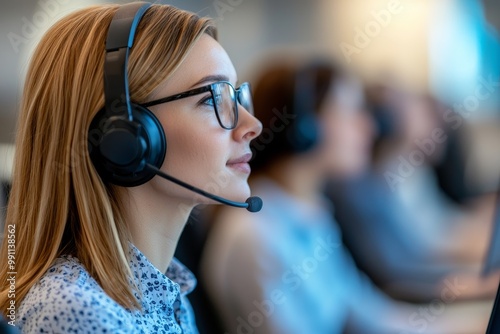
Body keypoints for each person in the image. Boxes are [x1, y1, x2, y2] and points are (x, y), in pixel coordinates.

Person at [0, 2, 262, 333]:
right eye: (212, 97)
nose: (253, 125)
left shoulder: (164, 293)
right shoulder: (79, 313)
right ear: (123, 136)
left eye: (236, 96)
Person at [200, 59, 492, 333]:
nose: (369, 127)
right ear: (305, 129)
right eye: (350, 111)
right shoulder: (257, 237)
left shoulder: (311, 214)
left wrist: (474, 325)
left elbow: (367, 313)